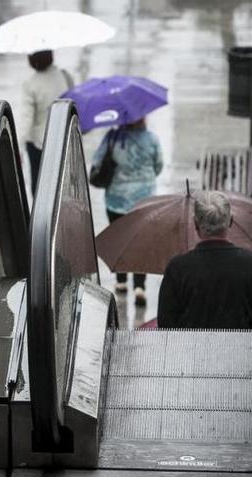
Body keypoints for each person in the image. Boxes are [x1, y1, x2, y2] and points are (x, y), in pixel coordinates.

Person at [92, 117, 163, 305]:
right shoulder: (152, 139)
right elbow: (158, 166)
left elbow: (97, 161)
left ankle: (121, 281)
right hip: (143, 201)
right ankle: (140, 286)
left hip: (116, 200)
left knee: (119, 240)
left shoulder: (112, 138)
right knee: (141, 243)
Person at [157, 191, 252, 329]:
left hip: (190, 349)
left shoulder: (177, 268)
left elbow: (166, 324)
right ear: (230, 221)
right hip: (241, 350)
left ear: (196, 223)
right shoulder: (249, 264)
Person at [20, 49, 74, 192]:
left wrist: (18, 148)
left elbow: (27, 119)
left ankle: (42, 213)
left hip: (38, 144)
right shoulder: (65, 76)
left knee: (39, 188)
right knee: (61, 185)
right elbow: (75, 105)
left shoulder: (30, 84)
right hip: (63, 139)